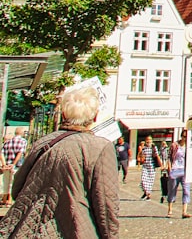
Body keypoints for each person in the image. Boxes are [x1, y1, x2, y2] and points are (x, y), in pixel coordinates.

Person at [0, 85, 119, 238]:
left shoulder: (43, 143)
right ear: (95, 116)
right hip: (76, 230)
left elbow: (17, 189)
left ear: (63, 114)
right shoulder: (100, 147)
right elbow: (106, 205)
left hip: (30, 231)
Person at [166, 131, 191, 218]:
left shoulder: (189, 146)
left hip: (185, 170)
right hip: (175, 169)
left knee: (186, 190)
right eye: (184, 136)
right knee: (172, 190)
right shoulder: (175, 145)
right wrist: (169, 170)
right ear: (181, 136)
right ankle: (170, 210)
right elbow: (169, 157)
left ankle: (184, 212)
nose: (185, 138)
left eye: (187, 137)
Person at [1, 128, 28, 205]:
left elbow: (1, 153)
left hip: (7, 165)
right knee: (12, 182)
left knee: (5, 182)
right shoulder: (23, 141)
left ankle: (4, 199)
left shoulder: (8, 142)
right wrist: (14, 163)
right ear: (22, 133)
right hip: (16, 166)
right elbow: (20, 153)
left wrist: (4, 164)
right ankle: (10, 200)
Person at [137, 135, 162, 200]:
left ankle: (148, 195)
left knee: (150, 182)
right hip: (145, 166)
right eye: (147, 140)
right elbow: (140, 157)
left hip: (151, 166)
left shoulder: (154, 148)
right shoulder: (144, 148)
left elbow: (157, 156)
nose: (148, 141)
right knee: (143, 180)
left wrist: (160, 164)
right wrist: (141, 151)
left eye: (150, 140)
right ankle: (146, 193)